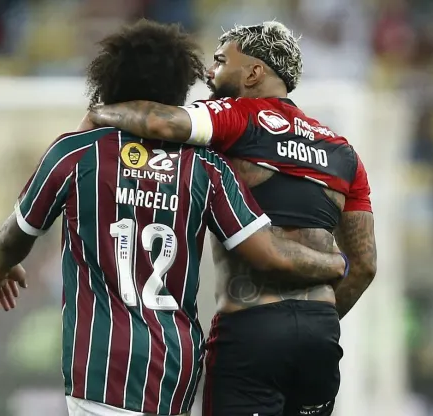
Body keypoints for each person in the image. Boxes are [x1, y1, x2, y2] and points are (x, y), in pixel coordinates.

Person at [0, 20, 350, 416]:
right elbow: (269, 254)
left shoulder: (75, 152)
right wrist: (332, 263)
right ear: (177, 91)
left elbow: (16, 233)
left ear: (107, 82)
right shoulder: (207, 168)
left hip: (102, 366)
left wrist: (3, 265)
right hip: (175, 369)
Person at [87, 21, 377, 416]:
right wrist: (313, 317)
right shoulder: (343, 153)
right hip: (320, 334)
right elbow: (364, 266)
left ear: (254, 73)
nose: (210, 73)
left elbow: (159, 121)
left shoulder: (238, 116)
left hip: (251, 331)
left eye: (221, 62)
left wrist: (99, 114)